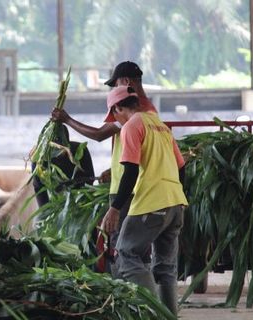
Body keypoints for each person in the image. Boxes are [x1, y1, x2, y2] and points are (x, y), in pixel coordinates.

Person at [51, 61, 156, 273]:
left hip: (127, 189)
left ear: (125, 82)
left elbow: (99, 135)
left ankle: (128, 292)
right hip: (135, 185)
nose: (114, 91)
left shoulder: (133, 111)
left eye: (115, 85)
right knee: (136, 248)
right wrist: (114, 168)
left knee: (123, 247)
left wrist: (67, 119)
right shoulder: (149, 110)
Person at [101, 86, 188, 315]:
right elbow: (182, 167)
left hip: (151, 202)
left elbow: (129, 171)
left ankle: (152, 312)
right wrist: (174, 194)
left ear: (118, 107)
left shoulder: (131, 126)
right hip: (176, 202)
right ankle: (170, 315)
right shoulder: (160, 126)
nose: (116, 121)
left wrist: (114, 208)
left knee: (126, 253)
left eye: (115, 116)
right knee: (166, 267)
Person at [31, 123, 95, 207]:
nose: (57, 155)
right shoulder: (40, 159)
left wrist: (77, 197)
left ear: (67, 144)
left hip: (79, 197)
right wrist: (46, 211)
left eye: (61, 150)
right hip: (55, 200)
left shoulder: (80, 151)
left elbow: (90, 178)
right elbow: (38, 188)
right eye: (54, 151)